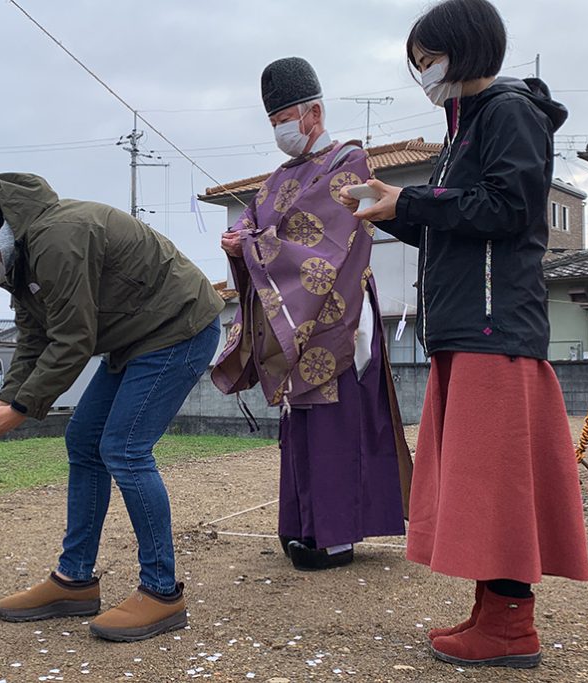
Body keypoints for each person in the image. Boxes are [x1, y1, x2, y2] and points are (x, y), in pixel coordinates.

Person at [341, 0, 588, 669]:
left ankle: (511, 626)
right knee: (482, 482)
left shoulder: (508, 112)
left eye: (428, 60)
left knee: (497, 483)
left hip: (494, 326)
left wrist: (413, 201)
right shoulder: (465, 127)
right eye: (418, 64)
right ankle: (493, 610)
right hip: (468, 325)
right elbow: (452, 220)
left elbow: (511, 209)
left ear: (465, 48)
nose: (423, 73)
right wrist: (386, 207)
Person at [0, 173, 224, 642]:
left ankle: (163, 592)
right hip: (135, 338)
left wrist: (19, 408)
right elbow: (34, 341)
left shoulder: (56, 237)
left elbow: (73, 339)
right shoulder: (18, 258)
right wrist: (2, 403)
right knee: (84, 440)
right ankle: (75, 581)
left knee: (124, 448)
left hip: (179, 325)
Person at [212, 57, 410, 572]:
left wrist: (254, 243)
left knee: (335, 421)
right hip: (293, 315)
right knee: (299, 423)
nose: (279, 128)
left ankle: (337, 538)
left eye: (284, 117)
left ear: (314, 113)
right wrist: (239, 243)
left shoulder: (351, 162)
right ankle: (302, 525)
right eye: (272, 119)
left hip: (339, 312)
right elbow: (256, 222)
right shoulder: (277, 176)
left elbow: (329, 235)